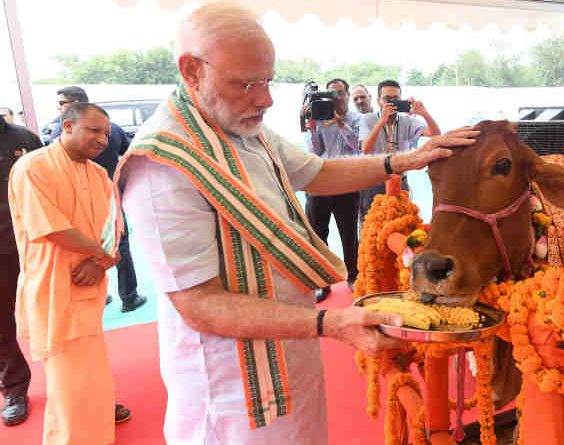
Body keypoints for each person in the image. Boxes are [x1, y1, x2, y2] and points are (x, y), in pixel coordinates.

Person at [115, 4, 477, 444]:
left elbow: (317, 173)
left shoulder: (240, 126)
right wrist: (330, 324)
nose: (265, 99)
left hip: (293, 346)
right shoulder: (163, 167)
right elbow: (199, 305)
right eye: (247, 84)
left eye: (267, 81)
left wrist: (403, 161)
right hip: (234, 391)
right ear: (191, 70)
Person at [8, 103, 131, 444]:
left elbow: (112, 227)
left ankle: (97, 425)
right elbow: (48, 227)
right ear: (67, 126)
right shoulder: (32, 166)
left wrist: (100, 262)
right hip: (53, 285)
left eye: (106, 133)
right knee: (66, 376)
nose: (103, 139)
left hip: (89, 283)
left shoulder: (98, 175)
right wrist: (100, 254)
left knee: (91, 366)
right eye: (94, 130)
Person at [51, 86, 146, 313]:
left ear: (74, 103)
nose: (102, 139)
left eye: (62, 103)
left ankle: (114, 296)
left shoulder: (61, 136)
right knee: (110, 244)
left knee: (113, 243)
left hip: (102, 199)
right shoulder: (37, 164)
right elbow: (130, 153)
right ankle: (127, 297)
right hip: (96, 202)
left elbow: (132, 154)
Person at [0, 111, 41, 426]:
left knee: (56, 315)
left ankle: (74, 387)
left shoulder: (24, 138)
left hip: (37, 243)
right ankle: (14, 389)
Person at [303, 78, 361, 300]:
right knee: (318, 234)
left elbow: (357, 145)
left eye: (339, 93)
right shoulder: (320, 115)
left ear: (347, 95)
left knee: (348, 234)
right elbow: (315, 150)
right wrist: (311, 126)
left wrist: (338, 121)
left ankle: (354, 276)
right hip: (320, 180)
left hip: (346, 180)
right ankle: (322, 281)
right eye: (331, 94)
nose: (335, 98)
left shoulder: (357, 119)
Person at [358, 80, 441, 222]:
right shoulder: (367, 119)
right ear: (378, 101)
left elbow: (436, 135)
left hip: (399, 181)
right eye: (387, 99)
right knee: (370, 228)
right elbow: (366, 150)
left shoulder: (406, 121)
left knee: (401, 224)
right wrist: (381, 121)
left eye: (395, 99)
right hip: (373, 183)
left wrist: (424, 113)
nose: (391, 102)